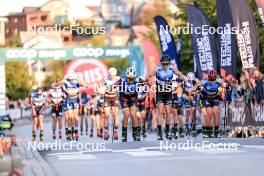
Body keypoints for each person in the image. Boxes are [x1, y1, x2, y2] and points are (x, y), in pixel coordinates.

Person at [155, 55, 185, 140]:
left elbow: (179, 73)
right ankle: (159, 132)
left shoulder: (172, 68)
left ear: (169, 63)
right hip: (160, 92)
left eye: (166, 64)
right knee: (160, 112)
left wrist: (185, 78)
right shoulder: (157, 68)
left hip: (168, 93)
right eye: (163, 64)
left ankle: (167, 131)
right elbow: (149, 75)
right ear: (161, 63)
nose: (164, 66)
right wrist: (143, 79)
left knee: (168, 112)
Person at [54, 71, 87, 141]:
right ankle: (69, 131)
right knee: (69, 117)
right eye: (70, 79)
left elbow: (85, 85)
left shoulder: (77, 81)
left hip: (75, 99)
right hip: (68, 99)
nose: (71, 80)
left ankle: (76, 130)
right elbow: (55, 85)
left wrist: (78, 80)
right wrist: (61, 82)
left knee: (75, 117)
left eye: (73, 79)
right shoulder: (66, 81)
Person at [195, 69, 226, 138]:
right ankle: (208, 131)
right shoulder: (204, 81)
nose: (212, 82)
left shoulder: (219, 81)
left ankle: (216, 132)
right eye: (210, 80)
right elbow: (197, 87)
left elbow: (224, 87)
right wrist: (194, 91)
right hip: (207, 98)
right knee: (209, 113)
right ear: (208, 78)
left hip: (215, 98)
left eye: (213, 80)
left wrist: (223, 93)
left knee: (215, 112)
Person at [119, 67, 143, 142]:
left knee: (133, 115)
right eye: (129, 78)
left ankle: (135, 133)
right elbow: (114, 84)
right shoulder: (122, 79)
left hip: (133, 98)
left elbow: (147, 84)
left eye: (132, 78)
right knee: (126, 114)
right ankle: (124, 134)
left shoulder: (138, 79)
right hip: (124, 98)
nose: (130, 80)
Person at [103, 67, 119, 140]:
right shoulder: (106, 78)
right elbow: (104, 88)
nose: (111, 76)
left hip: (114, 97)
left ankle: (115, 131)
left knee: (115, 115)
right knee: (106, 115)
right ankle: (106, 131)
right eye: (110, 75)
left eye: (113, 75)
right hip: (107, 98)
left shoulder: (118, 79)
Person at [183, 72, 200, 137]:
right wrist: (188, 98)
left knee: (193, 111)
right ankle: (187, 126)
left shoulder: (196, 82)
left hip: (193, 98)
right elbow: (184, 94)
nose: (190, 81)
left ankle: (193, 126)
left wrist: (194, 94)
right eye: (189, 80)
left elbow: (198, 90)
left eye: (192, 79)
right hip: (187, 98)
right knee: (187, 111)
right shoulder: (185, 83)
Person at [171, 74, 184, 139]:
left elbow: (179, 95)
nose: (173, 82)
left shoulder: (179, 87)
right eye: (172, 81)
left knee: (180, 118)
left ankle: (181, 131)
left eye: (174, 81)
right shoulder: (169, 86)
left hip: (179, 103)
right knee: (174, 116)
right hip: (173, 102)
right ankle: (174, 130)